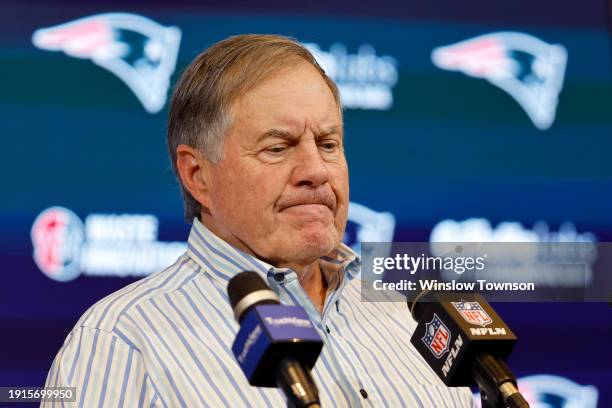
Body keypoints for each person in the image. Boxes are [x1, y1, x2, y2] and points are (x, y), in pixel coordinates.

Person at [44, 34, 474, 407]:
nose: (316, 171)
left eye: (328, 143)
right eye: (277, 147)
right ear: (198, 175)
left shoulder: (412, 319)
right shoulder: (122, 341)